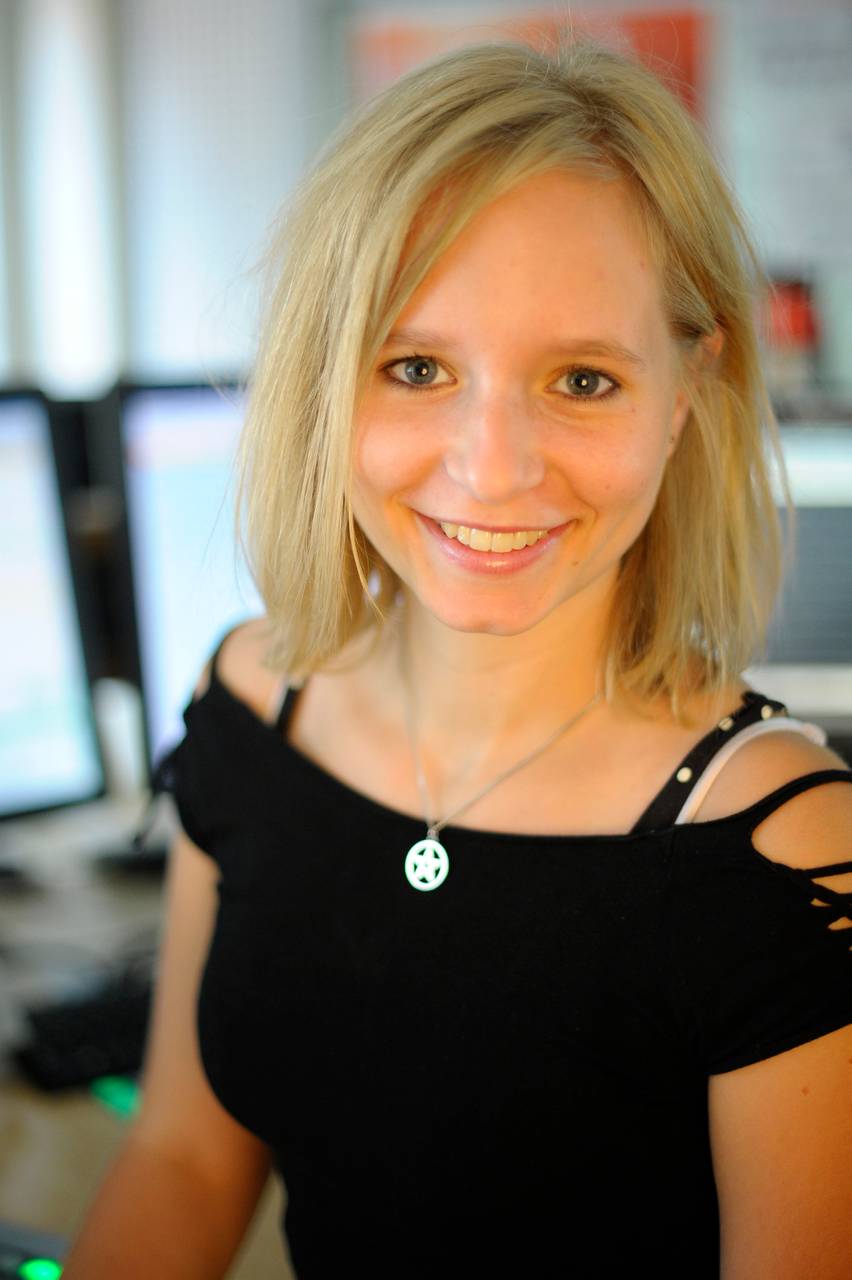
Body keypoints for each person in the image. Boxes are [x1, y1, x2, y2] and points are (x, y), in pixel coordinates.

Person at [63, 32, 852, 1280]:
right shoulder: (255, 701)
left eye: (582, 379)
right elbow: (181, 1157)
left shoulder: (784, 846)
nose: (491, 469)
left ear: (686, 391)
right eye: (418, 366)